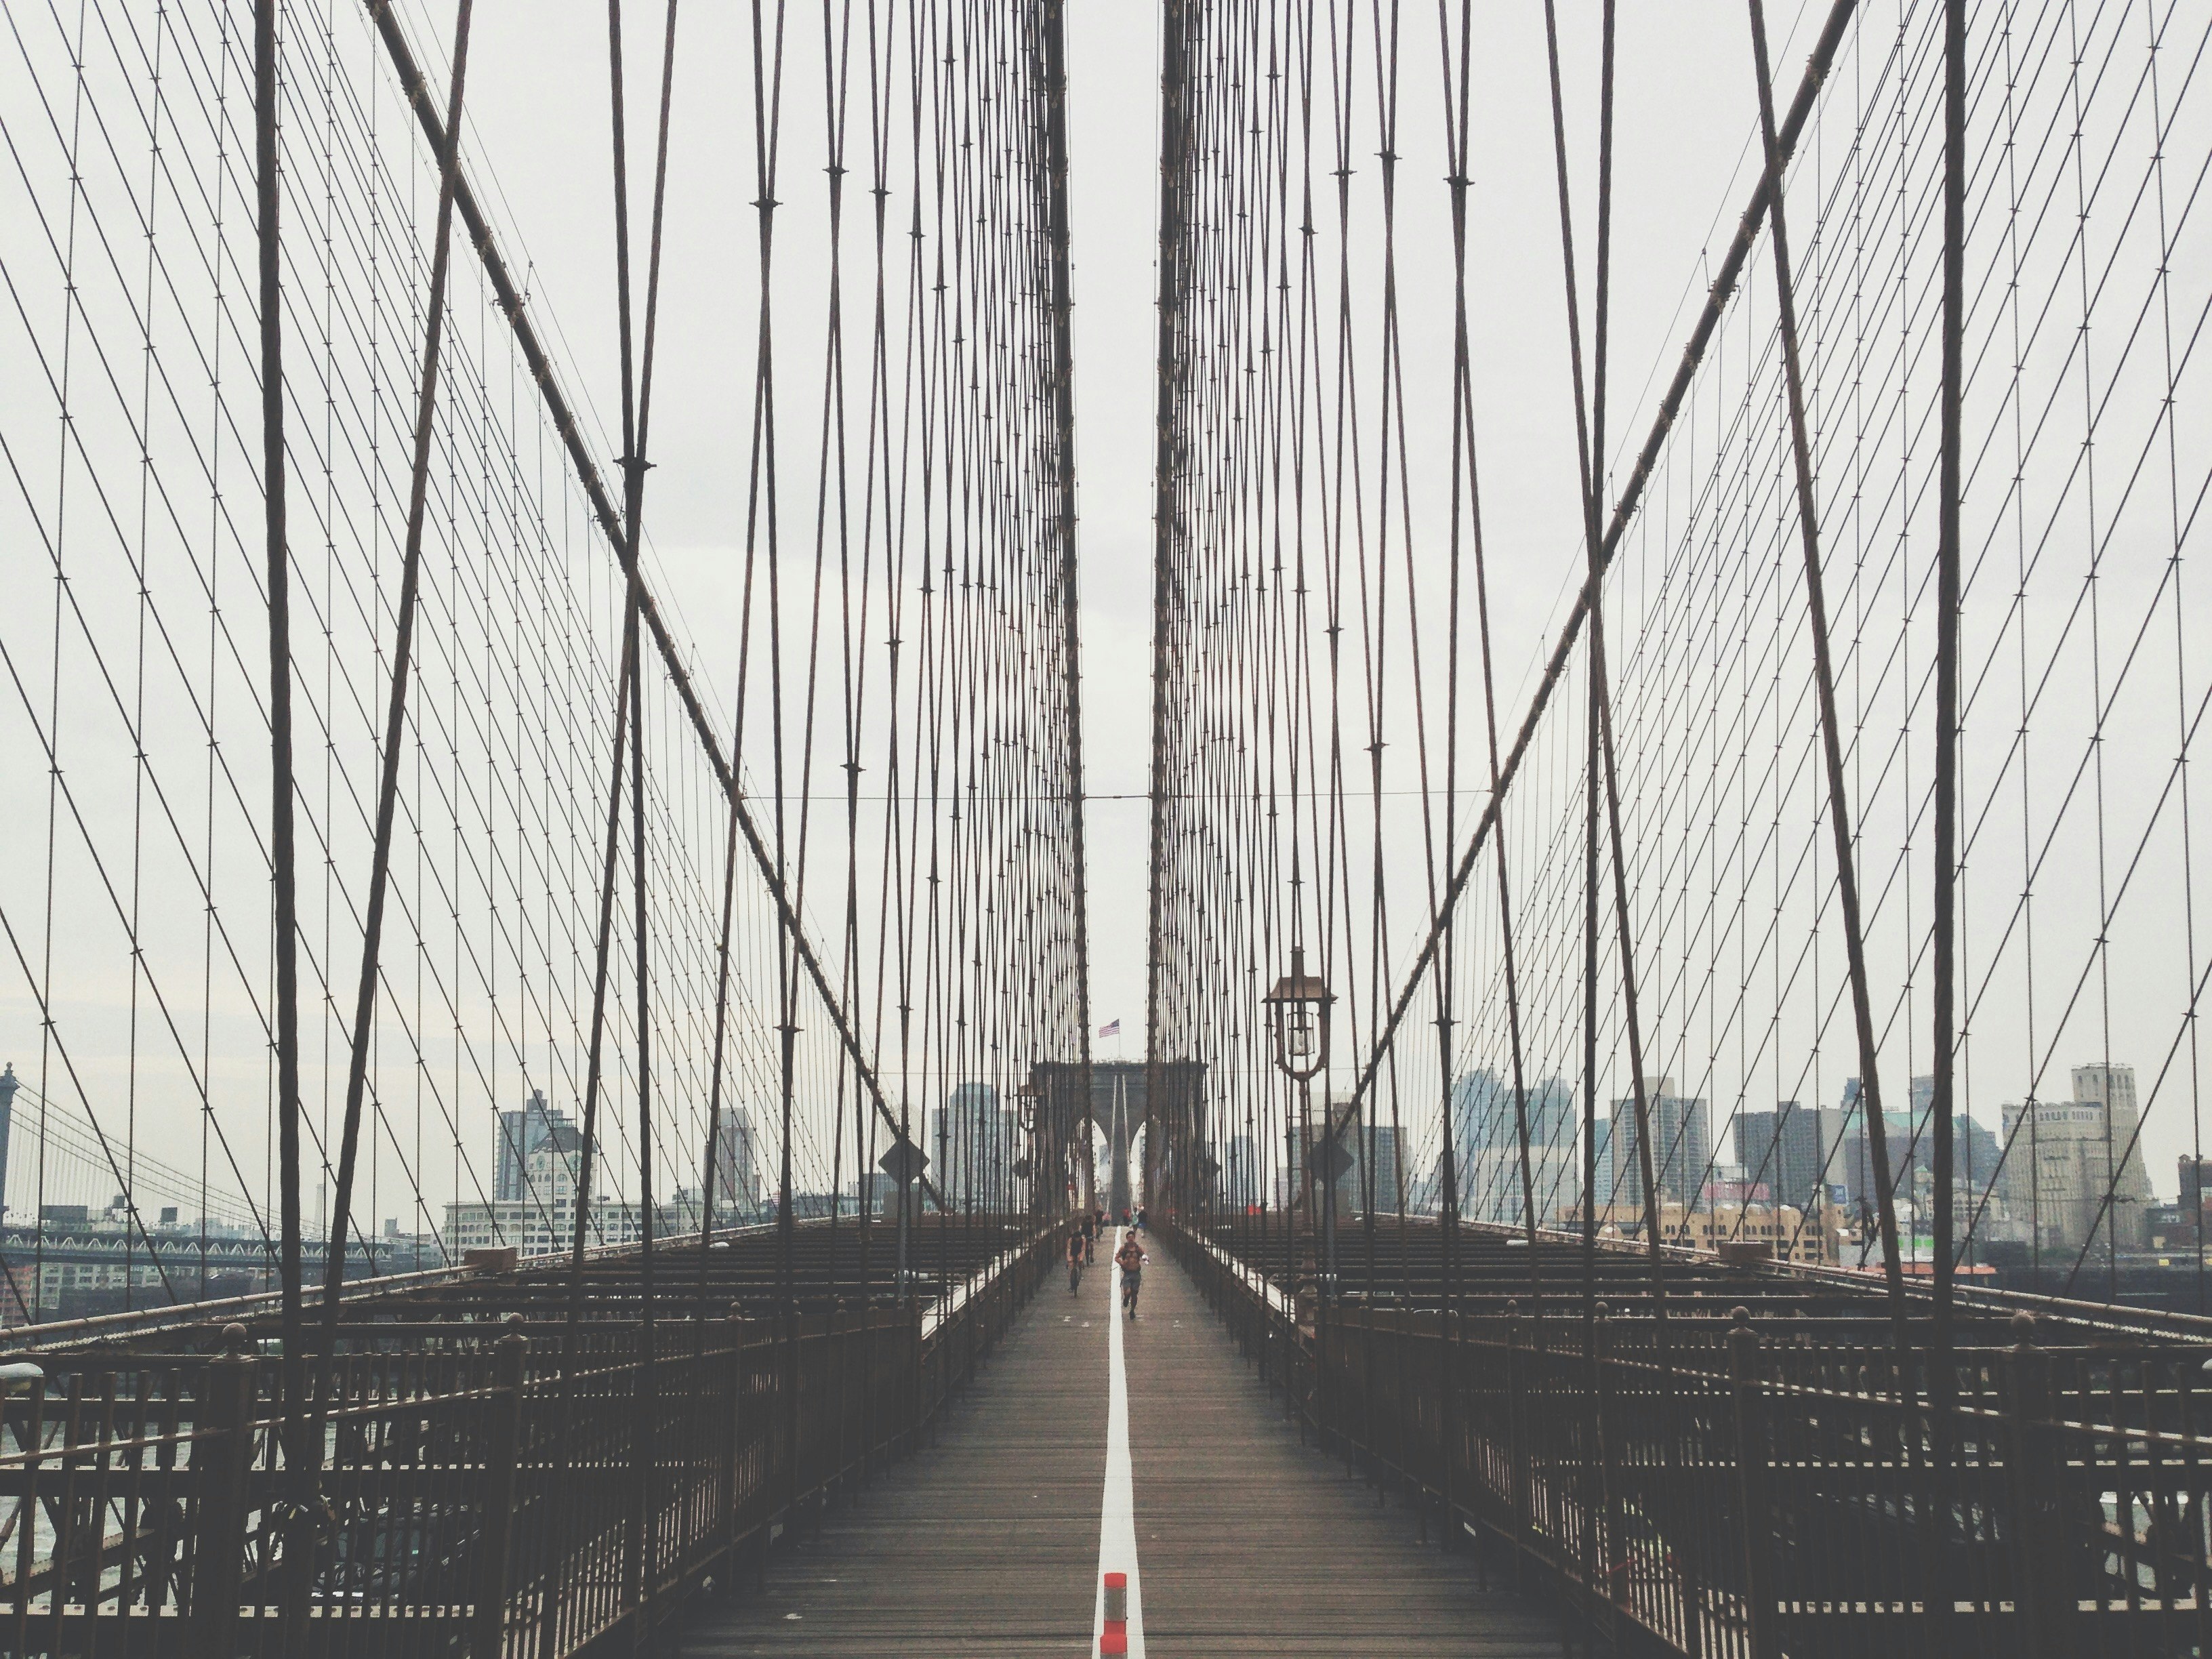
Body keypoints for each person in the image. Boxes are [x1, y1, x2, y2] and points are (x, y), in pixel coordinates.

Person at [1115, 1231, 1147, 1317]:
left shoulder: (1138, 1249)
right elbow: (1117, 1258)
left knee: (1135, 1293)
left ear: (1134, 1238)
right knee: (1128, 1291)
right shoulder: (1124, 1249)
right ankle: (1126, 1298)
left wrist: (1146, 1260)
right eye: (1129, 1237)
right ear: (1127, 1238)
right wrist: (1122, 1263)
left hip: (1136, 1274)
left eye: (1132, 1237)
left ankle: (1132, 1310)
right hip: (1127, 1273)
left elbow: (1144, 1256)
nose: (1131, 1239)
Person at [1066, 1229, 1084, 1294]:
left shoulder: (1083, 1240)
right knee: (1071, 1269)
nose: (1077, 1239)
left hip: (1079, 1252)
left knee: (1080, 1262)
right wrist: (1069, 1259)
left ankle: (1080, 1273)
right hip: (1072, 1253)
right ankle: (1071, 1284)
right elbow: (1069, 1249)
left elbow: (1083, 1249)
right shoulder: (1070, 1240)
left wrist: (1081, 1258)